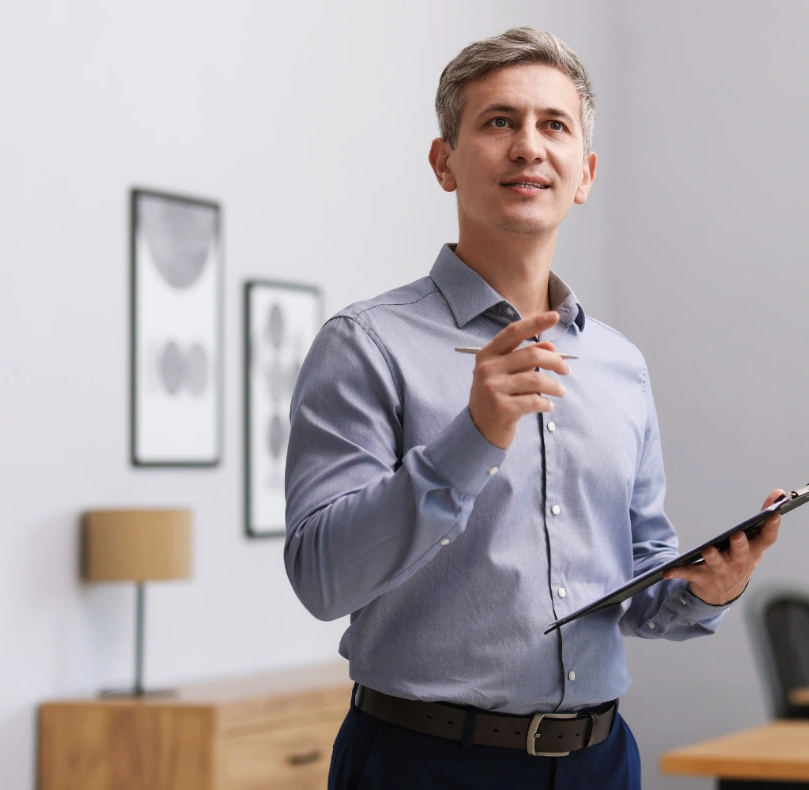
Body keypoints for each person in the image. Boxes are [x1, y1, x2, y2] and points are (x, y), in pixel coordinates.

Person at [284, 26, 783, 790]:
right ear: (443, 162)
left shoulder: (618, 365)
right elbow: (321, 578)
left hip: (600, 762)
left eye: (553, 125)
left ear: (583, 174)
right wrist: (472, 439)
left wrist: (708, 588)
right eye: (497, 122)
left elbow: (642, 578)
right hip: (422, 764)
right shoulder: (365, 345)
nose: (527, 146)